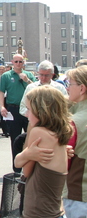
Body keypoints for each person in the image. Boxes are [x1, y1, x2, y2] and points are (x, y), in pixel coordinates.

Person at [15, 86, 73, 218]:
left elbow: (23, 168)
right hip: (54, 210)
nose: (26, 114)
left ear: (41, 111)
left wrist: (26, 154)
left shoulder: (39, 132)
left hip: (39, 212)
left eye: (29, 109)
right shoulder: (59, 135)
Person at [0, 54, 35, 170]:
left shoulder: (29, 75)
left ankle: (29, 166)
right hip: (13, 109)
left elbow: (35, 89)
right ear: (12, 62)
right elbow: (1, 93)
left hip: (28, 109)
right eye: (16, 61)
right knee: (15, 138)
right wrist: (2, 107)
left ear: (24, 63)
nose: (18, 64)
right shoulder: (6, 76)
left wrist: (26, 80)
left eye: (21, 62)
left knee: (31, 137)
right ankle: (17, 167)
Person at [63, 66, 87, 218]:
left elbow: (64, 164)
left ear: (82, 88)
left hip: (80, 193)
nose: (67, 88)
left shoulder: (73, 122)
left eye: (70, 84)